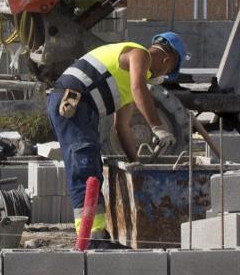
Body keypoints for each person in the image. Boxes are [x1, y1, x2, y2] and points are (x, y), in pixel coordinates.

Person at [45, 33, 185, 242]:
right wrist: (158, 127)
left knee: (88, 165)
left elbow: (122, 127)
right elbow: (139, 90)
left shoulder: (127, 80)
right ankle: (91, 237)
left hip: (79, 106)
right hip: (73, 102)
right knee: (85, 168)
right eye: (168, 72)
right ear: (166, 60)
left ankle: (94, 234)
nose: (163, 76)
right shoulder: (140, 54)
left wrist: (135, 163)